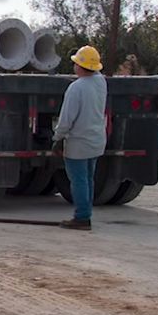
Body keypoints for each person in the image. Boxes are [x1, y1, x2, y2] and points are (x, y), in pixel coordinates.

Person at [52, 45, 108, 230]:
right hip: (96, 140)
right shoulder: (100, 82)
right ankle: (86, 213)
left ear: (80, 66)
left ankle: (82, 217)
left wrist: (58, 137)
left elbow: (67, 118)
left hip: (78, 142)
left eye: (76, 63)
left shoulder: (76, 88)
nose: (74, 66)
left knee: (79, 180)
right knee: (88, 178)